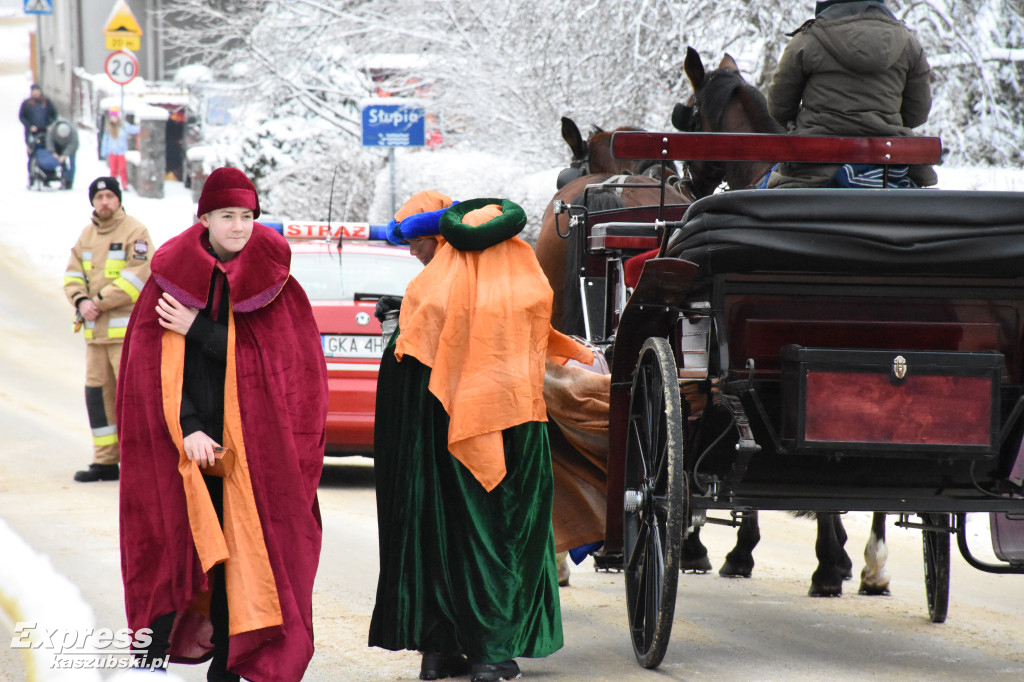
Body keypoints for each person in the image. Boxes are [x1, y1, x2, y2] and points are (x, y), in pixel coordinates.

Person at [116, 167, 328, 681]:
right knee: (172, 548)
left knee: (241, 559)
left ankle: (229, 669)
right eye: (228, 216)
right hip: (180, 444)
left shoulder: (278, 286)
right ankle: (149, 662)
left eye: (248, 216)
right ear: (204, 218)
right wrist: (186, 427)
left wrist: (199, 330)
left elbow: (286, 373)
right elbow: (149, 374)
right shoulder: (169, 280)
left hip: (251, 452)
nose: (239, 226)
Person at [369, 198, 592, 682]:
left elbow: (404, 363)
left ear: (444, 238)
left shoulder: (431, 287)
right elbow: (532, 344)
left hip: (432, 435)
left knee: (437, 533)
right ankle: (491, 652)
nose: (414, 254)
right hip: (508, 424)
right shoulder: (524, 274)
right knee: (502, 532)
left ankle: (439, 651)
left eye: (417, 242)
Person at [765, 0, 935, 188]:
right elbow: (917, 113)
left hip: (812, 171)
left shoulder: (807, 39)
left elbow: (779, 107)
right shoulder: (908, 43)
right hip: (886, 171)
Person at [63, 177, 152, 483]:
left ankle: (138, 462)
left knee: (131, 399)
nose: (104, 202)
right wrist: (80, 300)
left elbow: (137, 277)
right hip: (95, 337)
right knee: (98, 396)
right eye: (99, 196)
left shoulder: (135, 231)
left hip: (125, 336)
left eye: (109, 196)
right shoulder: (86, 236)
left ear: (118, 199)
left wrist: (97, 302)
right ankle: (105, 461)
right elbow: (72, 275)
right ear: (93, 201)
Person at [101, 109, 139, 190]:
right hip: (112, 152)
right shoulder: (109, 128)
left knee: (122, 169)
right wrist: (104, 152)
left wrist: (141, 127)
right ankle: (112, 185)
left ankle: (124, 185)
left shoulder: (123, 126)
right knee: (113, 170)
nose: (113, 118)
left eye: (114, 116)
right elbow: (105, 141)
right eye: (112, 117)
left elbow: (133, 129)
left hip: (121, 152)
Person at [46, 117, 79, 189]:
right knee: (61, 163)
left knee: (72, 164)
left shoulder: (73, 132)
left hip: (70, 147)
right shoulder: (52, 130)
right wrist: (53, 152)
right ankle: (63, 179)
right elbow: (49, 141)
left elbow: (73, 145)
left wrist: (64, 155)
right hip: (58, 146)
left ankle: (70, 181)